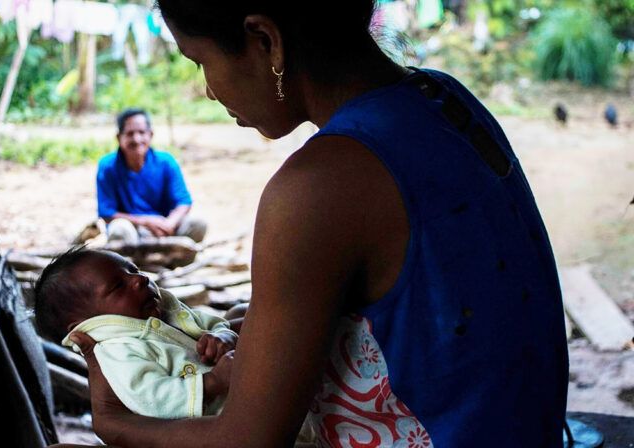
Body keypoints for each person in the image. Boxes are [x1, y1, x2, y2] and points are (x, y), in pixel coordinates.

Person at [64, 2, 569, 447]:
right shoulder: (446, 99)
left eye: (201, 62)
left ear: (266, 40)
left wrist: (112, 423)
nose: (210, 91)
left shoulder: (316, 185)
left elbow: (247, 441)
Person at [34, 247, 238, 418]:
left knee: (238, 313)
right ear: (89, 324)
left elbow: (216, 324)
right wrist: (213, 383)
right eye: (118, 286)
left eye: (134, 269)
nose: (140, 279)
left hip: (240, 392)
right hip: (216, 424)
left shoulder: (168, 313)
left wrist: (223, 337)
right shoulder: (119, 351)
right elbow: (153, 399)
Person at [97, 108, 207, 243]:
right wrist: (146, 221)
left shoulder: (166, 162)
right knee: (120, 229)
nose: (136, 139)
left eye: (142, 132)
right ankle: (131, 262)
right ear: (119, 137)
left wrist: (169, 223)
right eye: (130, 133)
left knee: (197, 224)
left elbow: (184, 202)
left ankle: (172, 261)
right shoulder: (107, 166)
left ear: (151, 134)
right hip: (132, 232)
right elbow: (107, 213)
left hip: (165, 230)